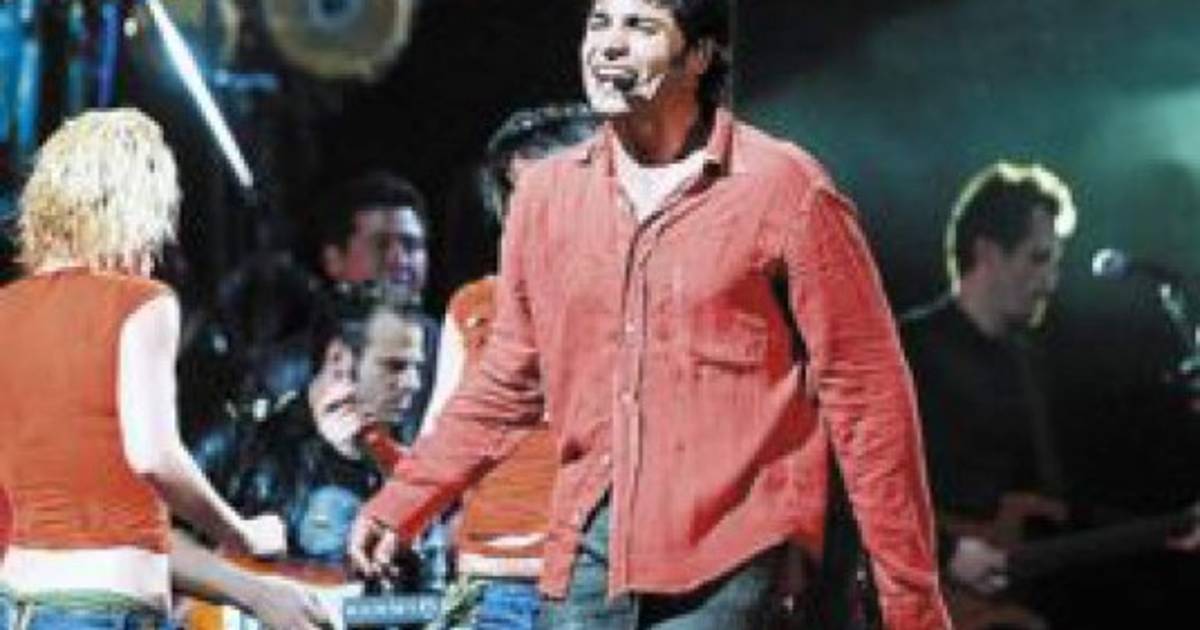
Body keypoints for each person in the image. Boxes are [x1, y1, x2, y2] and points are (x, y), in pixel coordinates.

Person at [349, 1, 950, 628]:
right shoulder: (545, 197)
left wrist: (910, 601)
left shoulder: (782, 188)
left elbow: (867, 396)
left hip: (733, 550)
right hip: (588, 547)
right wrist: (405, 500)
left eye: (639, 26)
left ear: (700, 56)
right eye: (599, 23)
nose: (608, 44)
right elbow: (508, 378)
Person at [0, 108, 285, 628]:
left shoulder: (6, 308)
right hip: (103, 603)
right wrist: (240, 533)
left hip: (17, 596)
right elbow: (153, 455)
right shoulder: (141, 302)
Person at [416, 103, 599, 629]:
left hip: (599, 584)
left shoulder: (645, 300)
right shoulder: (473, 307)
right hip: (494, 587)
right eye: (519, 196)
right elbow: (440, 444)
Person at [900, 161, 1076, 624]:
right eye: (1038, 259)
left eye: (1055, 263)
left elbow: (1052, 508)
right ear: (988, 253)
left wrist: (1170, 526)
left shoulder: (1028, 366)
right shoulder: (907, 349)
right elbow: (849, 481)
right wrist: (947, 552)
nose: (1051, 281)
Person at [193, 296, 427, 569]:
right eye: (395, 366)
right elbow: (165, 541)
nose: (414, 383)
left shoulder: (404, 465)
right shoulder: (242, 440)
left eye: (417, 367)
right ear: (339, 358)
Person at [308, 171, 438, 442]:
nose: (398, 259)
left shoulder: (459, 353)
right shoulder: (290, 368)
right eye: (380, 245)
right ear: (334, 260)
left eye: (411, 245)